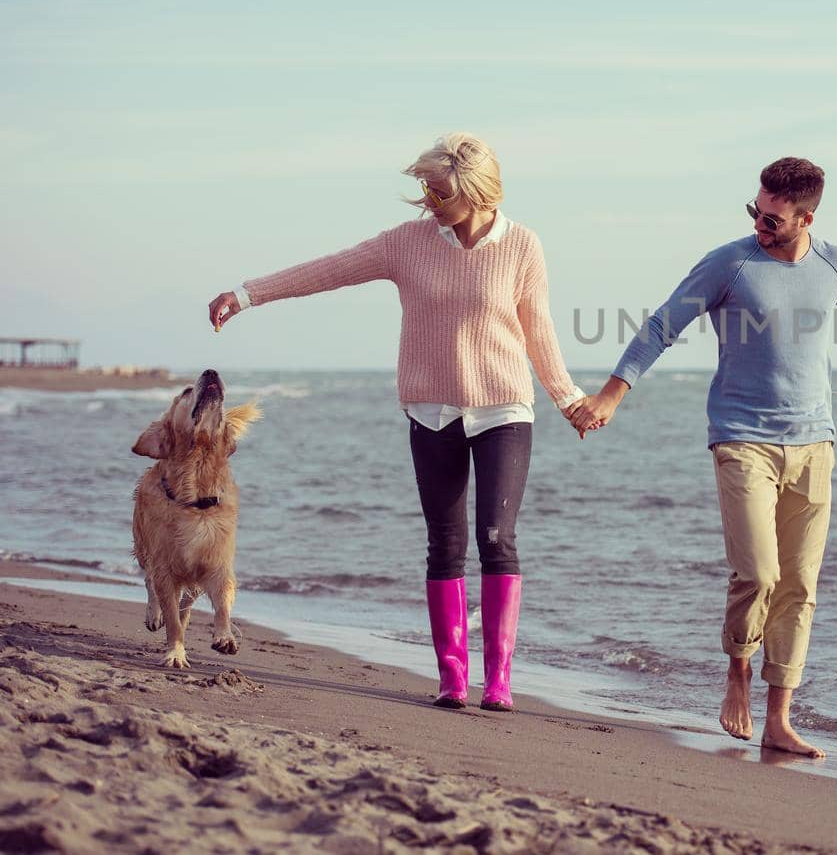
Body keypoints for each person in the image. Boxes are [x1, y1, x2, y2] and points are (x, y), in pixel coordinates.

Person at [570, 157, 837, 757]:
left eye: (773, 217)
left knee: (800, 584)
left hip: (814, 444)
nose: (760, 223)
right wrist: (612, 395)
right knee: (759, 573)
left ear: (807, 216)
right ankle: (737, 670)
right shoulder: (731, 262)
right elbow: (661, 326)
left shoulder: (835, 265)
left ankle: (779, 718)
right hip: (741, 437)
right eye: (756, 210)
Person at [206, 132, 589, 712]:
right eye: (426, 188)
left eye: (439, 190)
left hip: (503, 410)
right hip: (432, 410)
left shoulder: (522, 246)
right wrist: (247, 293)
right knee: (445, 543)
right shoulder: (407, 244)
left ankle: (500, 682)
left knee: (497, 538)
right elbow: (331, 269)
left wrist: (568, 399)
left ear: (477, 192)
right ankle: (453, 679)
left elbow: (539, 330)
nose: (429, 199)